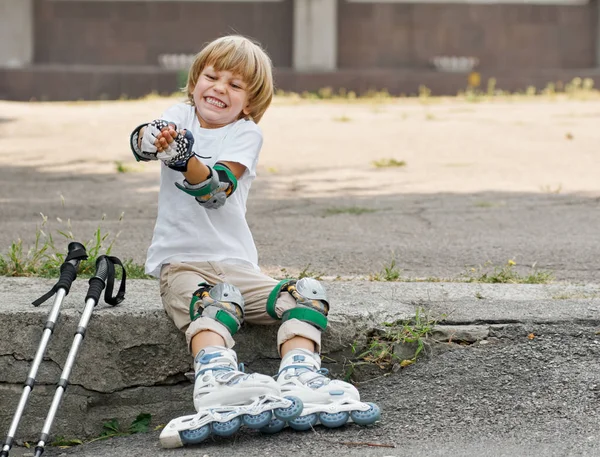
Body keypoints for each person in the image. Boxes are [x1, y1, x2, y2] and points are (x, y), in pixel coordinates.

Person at [129, 35, 379, 447]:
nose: (219, 88)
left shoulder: (245, 135)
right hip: (183, 262)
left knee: (307, 296)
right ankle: (214, 378)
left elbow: (215, 191)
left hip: (237, 263)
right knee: (217, 301)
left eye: (234, 84)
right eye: (211, 76)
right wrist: (151, 139)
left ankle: (300, 373)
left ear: (250, 102)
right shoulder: (178, 116)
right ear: (194, 82)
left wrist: (182, 159)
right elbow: (141, 142)